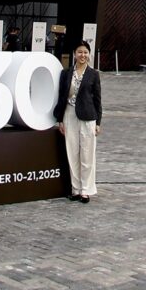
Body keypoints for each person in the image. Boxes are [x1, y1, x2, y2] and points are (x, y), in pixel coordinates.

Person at [53, 41, 102, 203]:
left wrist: (98, 122)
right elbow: (61, 96)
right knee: (72, 152)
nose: (83, 55)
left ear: (89, 54)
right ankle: (75, 189)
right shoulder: (66, 73)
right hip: (69, 114)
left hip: (88, 116)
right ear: (75, 54)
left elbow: (97, 99)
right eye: (80, 52)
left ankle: (85, 190)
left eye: (85, 52)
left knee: (87, 154)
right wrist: (60, 119)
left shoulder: (93, 74)